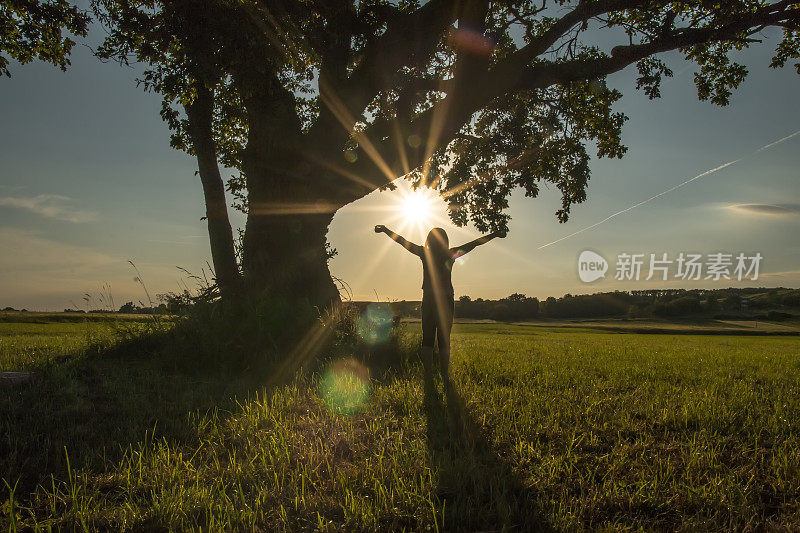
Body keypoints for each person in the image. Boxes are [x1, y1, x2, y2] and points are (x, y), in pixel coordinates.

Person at [374, 224, 506, 387]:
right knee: (444, 339)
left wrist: (385, 229)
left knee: (427, 338)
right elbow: (475, 243)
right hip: (445, 299)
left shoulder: (424, 252)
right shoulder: (450, 253)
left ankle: (428, 374)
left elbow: (402, 241)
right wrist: (494, 233)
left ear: (429, 240)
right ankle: (444, 375)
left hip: (429, 298)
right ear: (445, 241)